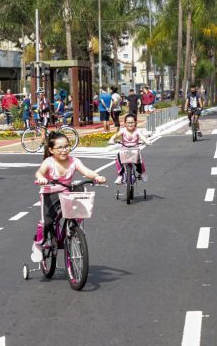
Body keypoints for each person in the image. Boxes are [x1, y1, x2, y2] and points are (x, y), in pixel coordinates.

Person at [30, 131, 106, 263]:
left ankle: (73, 230)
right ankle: (37, 244)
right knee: (46, 222)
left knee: (80, 204)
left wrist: (96, 176)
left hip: (66, 191)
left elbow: (86, 171)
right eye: (60, 147)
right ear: (51, 150)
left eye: (66, 146)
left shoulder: (74, 161)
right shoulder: (49, 162)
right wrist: (41, 178)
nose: (64, 150)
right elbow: (39, 172)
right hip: (49, 193)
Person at [109, 113, 149, 184]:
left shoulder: (137, 131)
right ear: (125, 123)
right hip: (124, 149)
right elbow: (115, 135)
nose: (130, 124)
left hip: (135, 150)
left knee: (140, 161)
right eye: (128, 123)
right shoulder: (123, 130)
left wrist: (147, 141)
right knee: (118, 158)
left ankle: (142, 173)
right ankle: (120, 175)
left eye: (132, 122)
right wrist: (111, 140)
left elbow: (142, 137)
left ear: (135, 122)